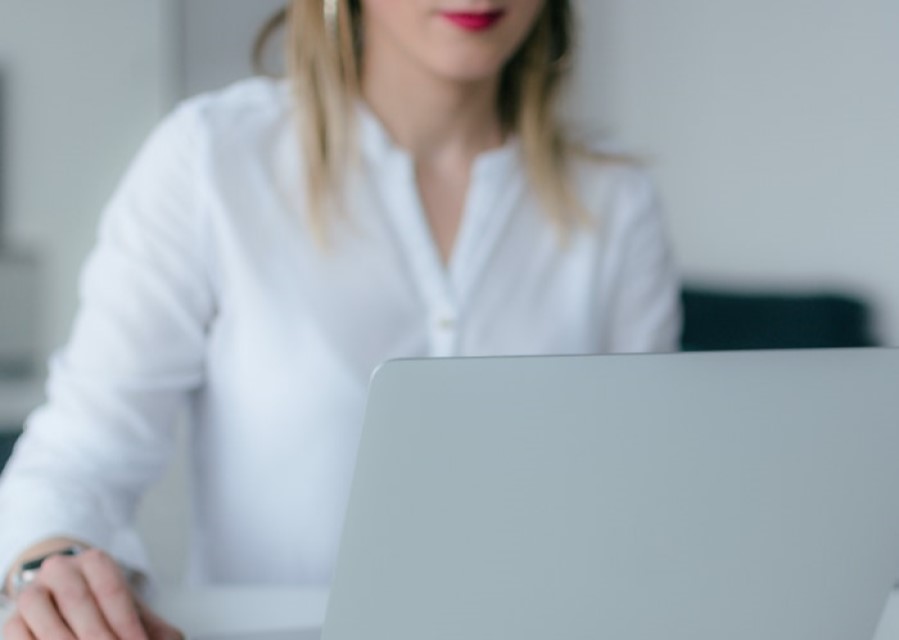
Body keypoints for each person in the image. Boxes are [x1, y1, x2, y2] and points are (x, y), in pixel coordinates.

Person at [0, 0, 681, 638]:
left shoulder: (617, 207)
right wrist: (50, 569)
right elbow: (79, 455)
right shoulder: (212, 162)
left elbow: (647, 502)